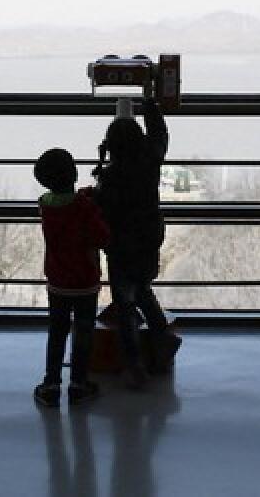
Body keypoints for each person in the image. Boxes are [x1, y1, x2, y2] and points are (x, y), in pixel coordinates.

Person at [93, 97, 181, 388]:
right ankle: (162, 342)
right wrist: (150, 105)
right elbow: (160, 136)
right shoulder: (149, 163)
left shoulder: (110, 177)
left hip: (120, 247)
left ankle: (134, 366)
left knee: (125, 303)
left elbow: (104, 213)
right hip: (147, 239)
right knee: (144, 290)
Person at [32, 148, 110, 408]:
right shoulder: (85, 207)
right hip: (85, 282)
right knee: (83, 332)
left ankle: (51, 383)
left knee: (57, 332)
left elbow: (63, 202)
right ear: (75, 173)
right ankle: (78, 384)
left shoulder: (45, 206)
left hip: (58, 282)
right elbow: (102, 237)